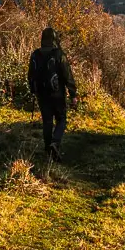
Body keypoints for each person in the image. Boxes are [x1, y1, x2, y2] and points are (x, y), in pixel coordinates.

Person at [27, 26, 77, 162]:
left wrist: (33, 90)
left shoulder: (35, 54)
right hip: (57, 94)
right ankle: (55, 143)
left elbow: (30, 74)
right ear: (54, 39)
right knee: (61, 119)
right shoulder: (59, 54)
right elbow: (67, 76)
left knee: (47, 121)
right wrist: (73, 94)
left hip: (41, 94)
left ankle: (48, 151)